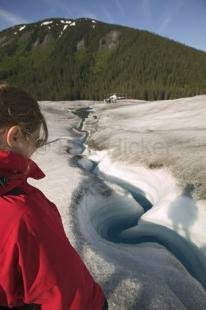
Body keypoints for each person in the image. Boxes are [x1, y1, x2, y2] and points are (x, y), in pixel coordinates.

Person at [0, 84, 108, 310]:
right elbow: (70, 298)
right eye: (37, 140)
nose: (36, 148)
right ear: (15, 136)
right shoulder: (24, 213)